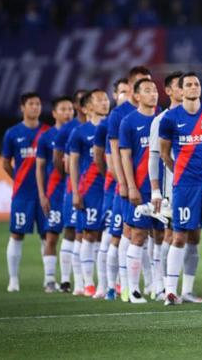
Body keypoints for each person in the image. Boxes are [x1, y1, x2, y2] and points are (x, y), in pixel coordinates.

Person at [159, 72, 202, 306]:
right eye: (189, 84)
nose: (194, 87)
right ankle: (170, 291)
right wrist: (180, 172)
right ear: (181, 90)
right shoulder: (169, 118)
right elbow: (164, 153)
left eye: (197, 83)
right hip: (184, 186)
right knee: (179, 236)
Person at [107, 66, 152, 301]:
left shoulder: (157, 114)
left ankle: (154, 285)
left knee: (153, 234)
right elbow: (116, 152)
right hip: (130, 184)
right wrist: (124, 183)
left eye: (151, 84)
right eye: (143, 84)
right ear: (133, 87)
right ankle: (125, 286)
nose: (150, 89)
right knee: (129, 231)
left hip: (153, 187)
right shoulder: (120, 115)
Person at [119, 78, 161, 303]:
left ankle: (158, 286)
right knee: (137, 235)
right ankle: (133, 289)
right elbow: (125, 156)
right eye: (147, 90)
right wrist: (131, 186)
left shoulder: (162, 118)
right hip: (140, 188)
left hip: (160, 189)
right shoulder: (128, 122)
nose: (153, 93)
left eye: (154, 89)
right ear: (136, 96)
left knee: (161, 236)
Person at [3, 92, 50, 292]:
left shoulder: (48, 132)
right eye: (31, 104)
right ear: (23, 107)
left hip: (45, 193)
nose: (35, 107)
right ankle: (13, 280)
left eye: (38, 104)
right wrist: (19, 179)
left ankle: (49, 279)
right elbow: (6, 163)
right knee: (17, 234)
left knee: (47, 235)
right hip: (23, 194)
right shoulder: (12, 133)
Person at [69, 89, 110, 296]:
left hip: (110, 186)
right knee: (89, 233)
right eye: (99, 100)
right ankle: (88, 282)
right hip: (91, 187)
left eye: (106, 99)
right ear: (89, 106)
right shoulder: (80, 132)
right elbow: (73, 163)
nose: (104, 102)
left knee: (109, 234)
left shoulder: (113, 125)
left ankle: (106, 284)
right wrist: (75, 191)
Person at [147, 71, 184, 301]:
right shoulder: (161, 120)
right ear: (168, 91)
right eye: (180, 85)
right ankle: (161, 285)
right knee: (169, 235)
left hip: (196, 187)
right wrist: (155, 191)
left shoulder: (198, 116)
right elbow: (154, 157)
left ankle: (186, 289)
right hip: (172, 188)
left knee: (194, 237)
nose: (184, 89)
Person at [93, 77, 129, 299]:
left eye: (129, 91)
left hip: (138, 187)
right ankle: (105, 285)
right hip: (114, 188)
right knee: (110, 235)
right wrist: (115, 178)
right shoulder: (108, 124)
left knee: (139, 236)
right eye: (122, 91)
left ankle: (132, 285)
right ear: (116, 95)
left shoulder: (141, 119)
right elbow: (102, 158)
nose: (126, 95)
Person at [36, 96, 74, 293]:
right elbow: (40, 168)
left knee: (72, 233)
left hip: (74, 190)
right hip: (55, 192)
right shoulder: (46, 137)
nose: (68, 113)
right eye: (63, 109)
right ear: (54, 113)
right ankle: (50, 279)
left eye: (70, 109)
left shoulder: (76, 131)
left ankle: (67, 280)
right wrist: (42, 195)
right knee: (51, 236)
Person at [53, 89, 87, 293]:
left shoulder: (101, 125)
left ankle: (88, 281)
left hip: (96, 187)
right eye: (82, 101)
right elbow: (59, 158)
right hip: (74, 187)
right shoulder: (69, 129)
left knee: (92, 233)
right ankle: (67, 280)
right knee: (71, 231)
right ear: (77, 105)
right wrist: (68, 179)